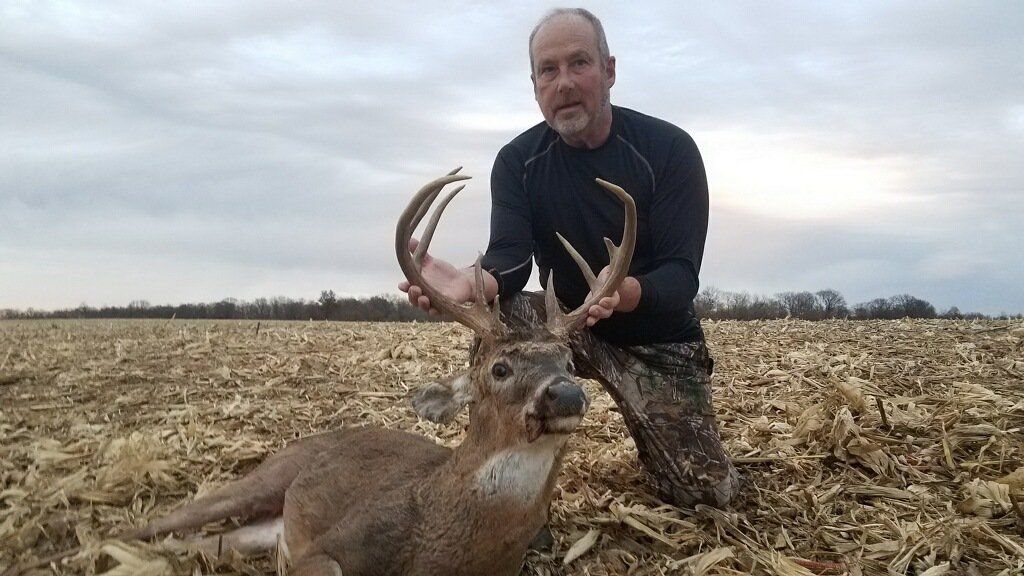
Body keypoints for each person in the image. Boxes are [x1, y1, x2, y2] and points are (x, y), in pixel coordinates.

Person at [399, 8, 739, 509]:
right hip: (565, 331)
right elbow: (511, 261)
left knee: (707, 497)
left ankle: (672, 451)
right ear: (535, 84)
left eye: (579, 63)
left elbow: (680, 277)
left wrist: (626, 292)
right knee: (500, 320)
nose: (563, 83)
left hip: (658, 342)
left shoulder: (669, 151)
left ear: (609, 71)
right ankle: (502, 493)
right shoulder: (518, 162)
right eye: (548, 70)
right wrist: (474, 283)